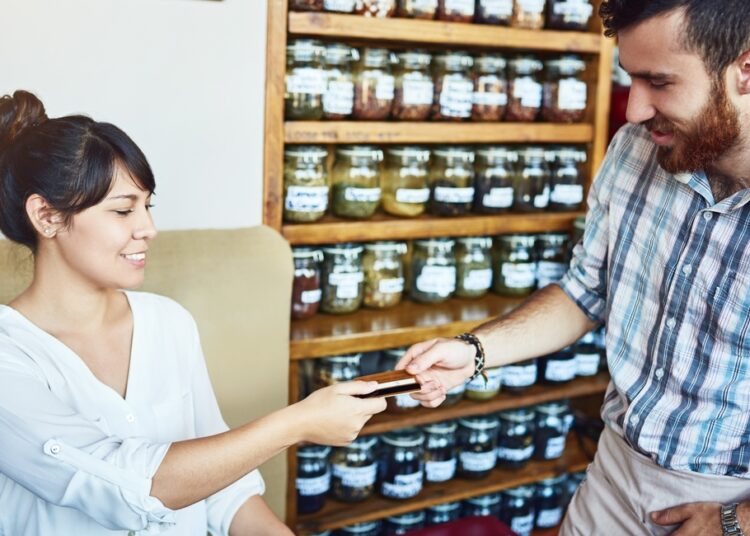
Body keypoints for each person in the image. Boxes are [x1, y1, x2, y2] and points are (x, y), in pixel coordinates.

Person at [399, 1, 750, 535]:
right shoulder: (635, 150)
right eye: (630, 78)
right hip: (614, 473)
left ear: (745, 70)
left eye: (659, 82)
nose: (634, 109)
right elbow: (585, 292)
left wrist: (737, 520)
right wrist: (475, 352)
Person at [0, 90, 393, 536]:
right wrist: (296, 423)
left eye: (147, 205)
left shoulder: (168, 322)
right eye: (124, 209)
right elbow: (121, 485)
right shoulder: (9, 357)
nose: (147, 228)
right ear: (46, 216)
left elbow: (223, 487)